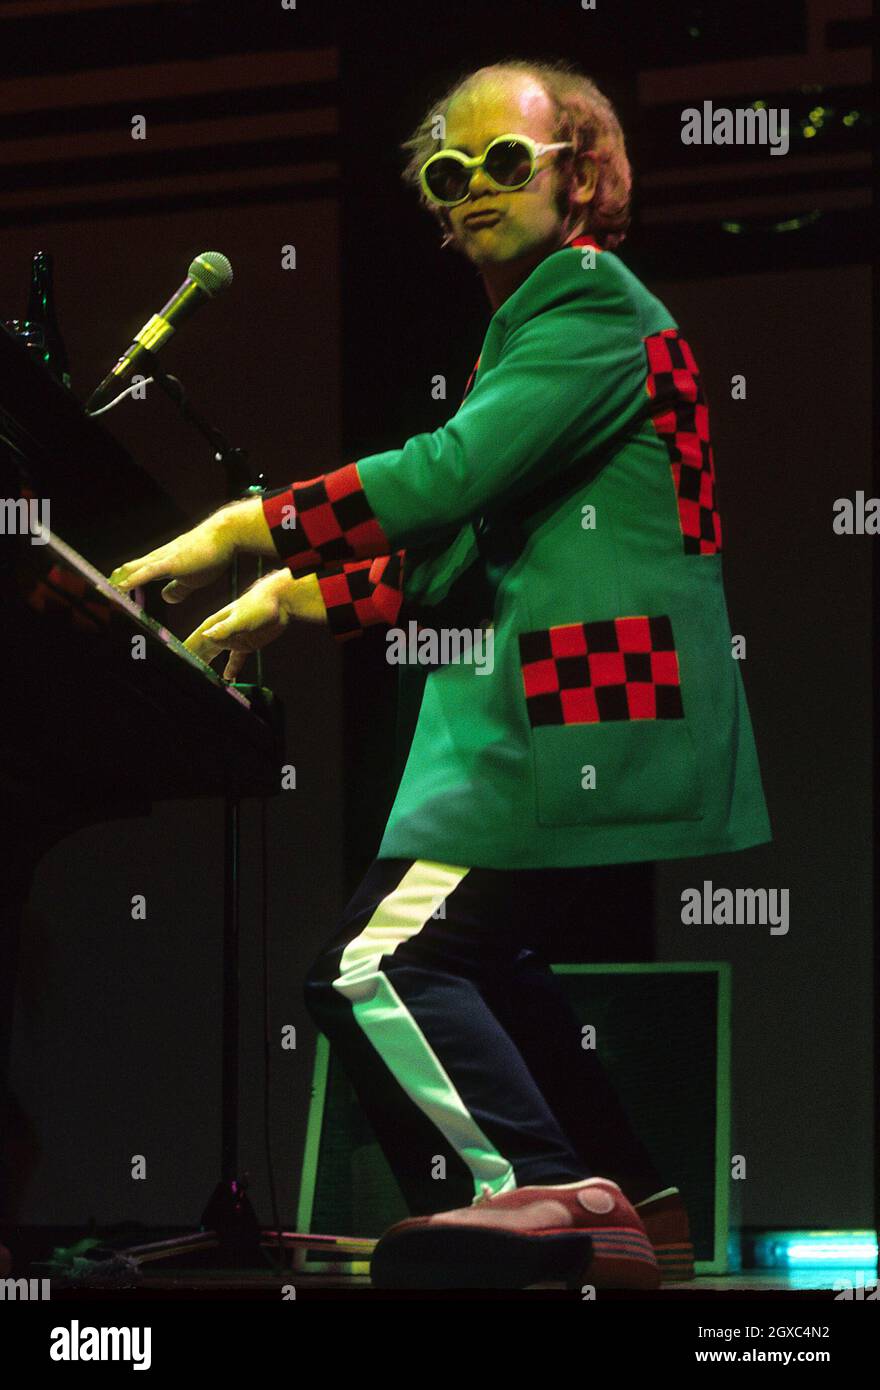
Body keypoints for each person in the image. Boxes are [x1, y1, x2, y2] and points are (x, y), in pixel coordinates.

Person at [109, 58, 772, 1291]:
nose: (470, 189)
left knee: (376, 961)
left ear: (580, 176)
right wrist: (295, 595)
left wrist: (242, 527)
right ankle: (642, 1199)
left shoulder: (587, 305)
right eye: (448, 172)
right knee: (485, 957)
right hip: (578, 696)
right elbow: (459, 544)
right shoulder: (543, 324)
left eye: (504, 162)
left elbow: (446, 476)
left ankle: (531, 1195)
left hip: (566, 703)